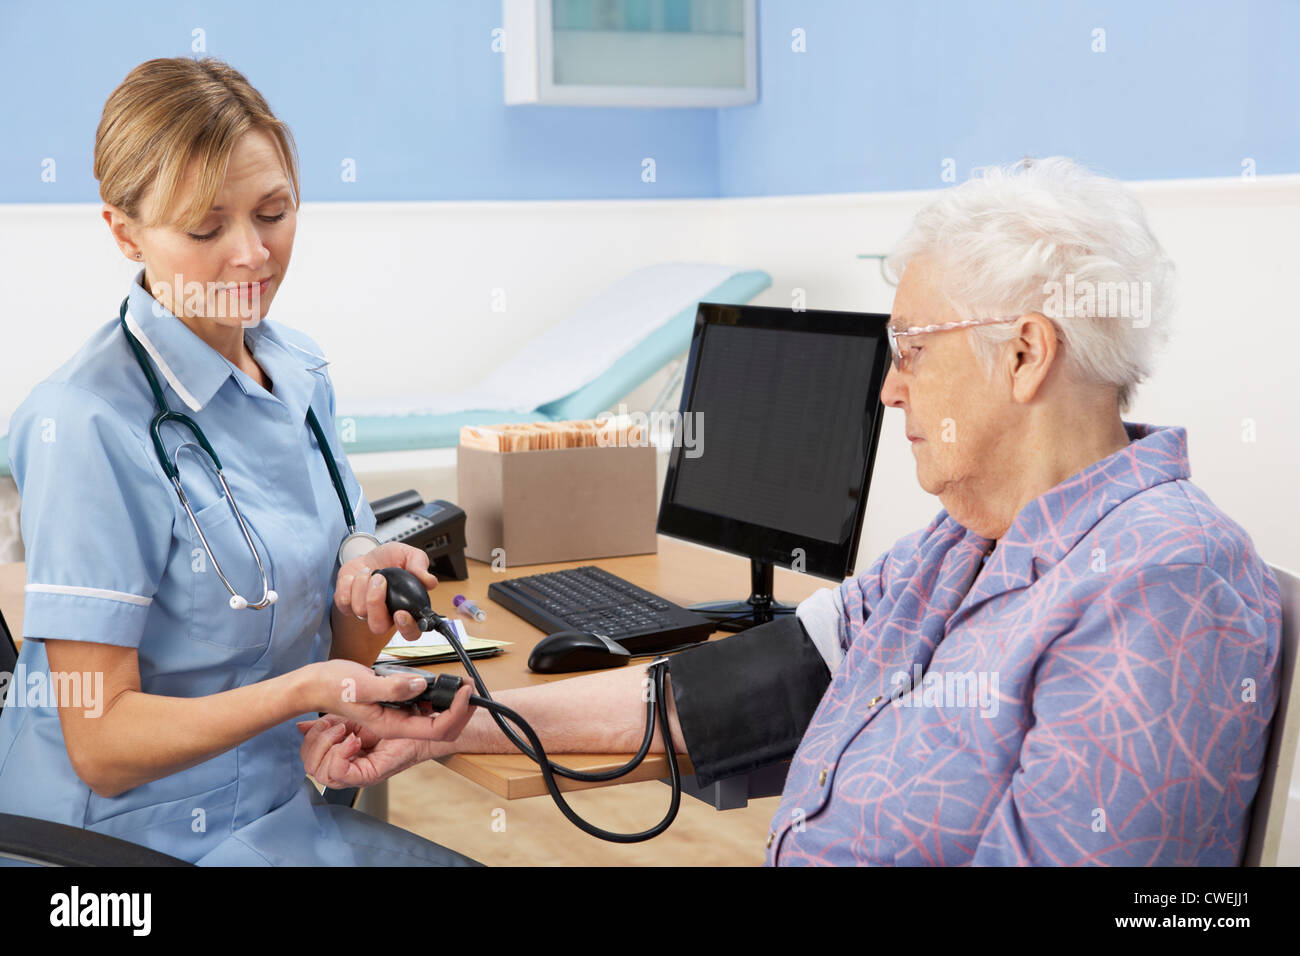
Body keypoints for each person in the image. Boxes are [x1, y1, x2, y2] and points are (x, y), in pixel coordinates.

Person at [302, 157, 1282, 866]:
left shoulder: (1162, 582)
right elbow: (730, 688)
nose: (889, 391)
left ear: (1024, 354)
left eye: (913, 350)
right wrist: (454, 723)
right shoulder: (955, 549)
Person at [0, 57, 479, 866]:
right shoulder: (84, 423)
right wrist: (300, 693)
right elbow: (102, 743)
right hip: (112, 848)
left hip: (272, 807)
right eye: (205, 228)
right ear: (124, 231)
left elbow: (336, 647)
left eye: (274, 211)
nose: (253, 254)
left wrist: (369, 595)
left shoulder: (300, 376)